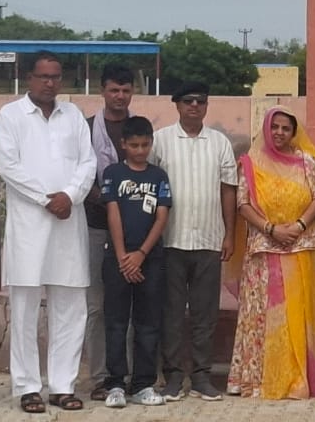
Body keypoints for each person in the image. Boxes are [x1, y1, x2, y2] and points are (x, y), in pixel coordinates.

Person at [0, 51, 96, 414]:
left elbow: (88, 162)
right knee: (24, 309)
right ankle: (27, 387)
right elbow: (9, 167)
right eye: (43, 76)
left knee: (71, 306)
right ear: (29, 78)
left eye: (55, 76)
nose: (50, 83)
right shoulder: (11, 116)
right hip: (29, 227)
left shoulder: (73, 116)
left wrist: (70, 195)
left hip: (69, 223)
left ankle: (63, 386)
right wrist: (46, 198)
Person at [227, 106, 315, 399]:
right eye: (274, 127)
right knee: (265, 315)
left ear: (294, 132)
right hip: (264, 250)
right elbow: (243, 204)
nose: (279, 133)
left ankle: (299, 378)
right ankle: (261, 379)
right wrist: (272, 229)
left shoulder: (306, 162)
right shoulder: (250, 163)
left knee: (298, 315)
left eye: (286, 128)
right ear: (265, 129)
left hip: (301, 248)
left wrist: (298, 226)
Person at [151, 80, 238, 401]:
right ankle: (173, 376)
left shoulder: (219, 142)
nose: (194, 106)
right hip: (170, 241)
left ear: (206, 106)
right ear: (176, 104)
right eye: (188, 100)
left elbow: (228, 189)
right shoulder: (160, 141)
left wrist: (229, 234)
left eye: (200, 101)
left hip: (209, 240)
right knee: (171, 313)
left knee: (205, 314)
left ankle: (201, 376)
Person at [99, 116, 172, 408]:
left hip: (149, 259)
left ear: (151, 144)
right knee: (116, 322)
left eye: (144, 145)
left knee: (148, 323)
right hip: (118, 258)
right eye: (134, 145)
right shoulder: (113, 173)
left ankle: (143, 384)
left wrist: (141, 254)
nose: (140, 151)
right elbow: (113, 213)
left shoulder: (159, 176)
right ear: (123, 145)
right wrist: (123, 258)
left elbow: (162, 216)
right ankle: (115, 384)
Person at [82, 64, 136, 402]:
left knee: (130, 306)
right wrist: (102, 196)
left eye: (125, 90)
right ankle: (101, 377)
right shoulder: (87, 129)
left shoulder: (139, 129)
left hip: (133, 231)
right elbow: (76, 172)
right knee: (97, 306)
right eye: (114, 90)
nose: (119, 96)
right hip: (94, 226)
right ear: (102, 91)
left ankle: (126, 374)